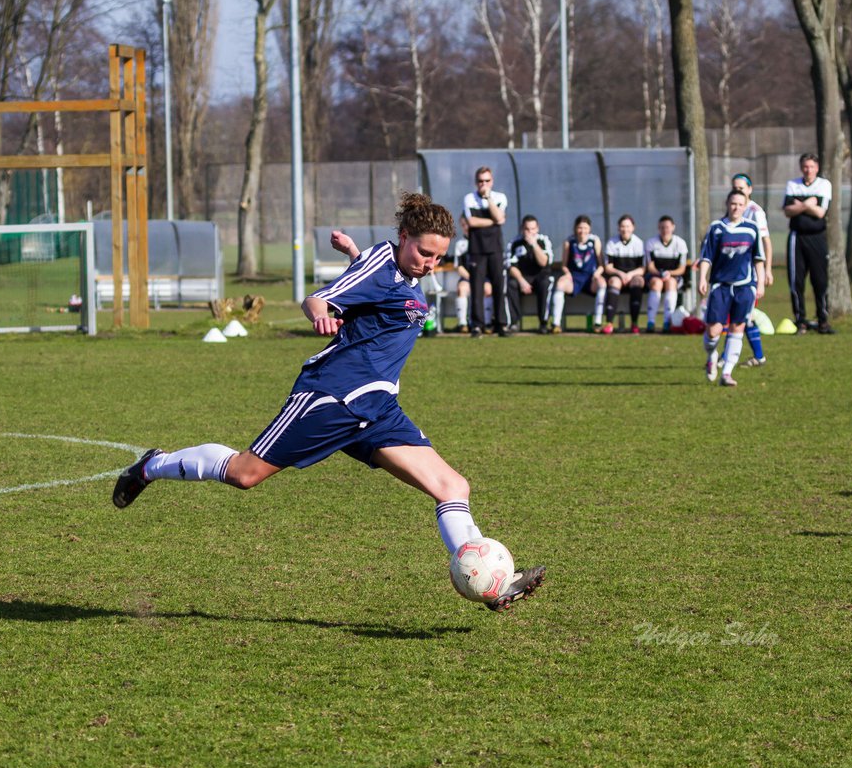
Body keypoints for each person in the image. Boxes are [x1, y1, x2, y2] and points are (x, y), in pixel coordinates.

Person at [112, 193, 545, 612]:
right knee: (245, 475)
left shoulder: (402, 273)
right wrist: (320, 311)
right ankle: (153, 465)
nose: (430, 263)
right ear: (405, 236)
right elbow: (320, 296)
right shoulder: (383, 260)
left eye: (438, 257)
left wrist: (356, 256)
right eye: (424, 252)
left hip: (377, 410)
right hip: (330, 398)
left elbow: (375, 285)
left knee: (453, 487)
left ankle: (497, 584)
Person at [698, 190, 766, 387]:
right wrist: (703, 277)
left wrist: (760, 283)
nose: (736, 207)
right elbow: (706, 256)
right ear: (727, 204)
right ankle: (712, 356)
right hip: (720, 285)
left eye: (740, 204)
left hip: (745, 286)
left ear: (745, 207)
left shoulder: (752, 229)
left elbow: (758, 259)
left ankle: (726, 373)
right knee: (713, 332)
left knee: (738, 327)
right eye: (733, 204)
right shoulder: (717, 228)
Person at [783, 152, 835, 335]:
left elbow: (821, 213)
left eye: (812, 167)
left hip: (817, 237)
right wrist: (809, 204)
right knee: (796, 281)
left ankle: (823, 320)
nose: (808, 170)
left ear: (817, 168)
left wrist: (800, 205)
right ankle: (800, 321)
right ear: (801, 168)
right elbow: (788, 211)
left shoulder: (824, 185)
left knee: (820, 281)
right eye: (805, 166)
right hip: (797, 237)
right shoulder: (792, 184)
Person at [462, 167, 510, 337]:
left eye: (487, 181)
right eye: (481, 181)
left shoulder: (499, 197)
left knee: (499, 286)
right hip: (477, 249)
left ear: (492, 181)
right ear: (476, 182)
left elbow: (499, 217)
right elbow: (472, 222)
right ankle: (477, 325)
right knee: (477, 288)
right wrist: (494, 221)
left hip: (495, 248)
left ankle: (501, 324)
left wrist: (488, 198)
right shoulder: (469, 198)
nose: (484, 184)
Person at [732, 173, 774, 364]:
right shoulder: (734, 211)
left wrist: (768, 270)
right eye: (735, 188)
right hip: (736, 272)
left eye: (741, 188)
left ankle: (752, 356)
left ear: (749, 189)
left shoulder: (755, 212)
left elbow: (766, 242)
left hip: (751, 273)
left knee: (743, 315)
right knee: (738, 315)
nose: (738, 191)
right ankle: (756, 356)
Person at [548, 215, 603, 334]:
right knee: (560, 284)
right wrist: (567, 274)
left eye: (585, 228)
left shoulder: (595, 241)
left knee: (602, 284)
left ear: (589, 229)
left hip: (590, 278)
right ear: (575, 228)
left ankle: (598, 323)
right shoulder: (569, 242)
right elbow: (564, 265)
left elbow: (601, 264)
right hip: (575, 278)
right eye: (579, 228)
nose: (582, 231)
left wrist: (598, 273)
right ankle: (556, 324)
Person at [505, 215, 554, 334]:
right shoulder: (514, 243)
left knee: (545, 283)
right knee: (511, 284)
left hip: (540, 276)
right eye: (527, 229)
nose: (530, 232)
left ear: (537, 229)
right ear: (522, 229)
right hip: (522, 277)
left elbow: (544, 262)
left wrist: (534, 245)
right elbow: (511, 267)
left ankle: (543, 323)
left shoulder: (543, 241)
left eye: (533, 229)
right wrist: (522, 281)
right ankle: (514, 323)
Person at [643, 215, 689, 333]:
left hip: (673, 276)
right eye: (662, 227)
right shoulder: (651, 243)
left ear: (673, 227)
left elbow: (682, 269)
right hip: (656, 275)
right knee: (656, 283)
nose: (665, 230)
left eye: (667, 227)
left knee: (671, 283)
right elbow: (650, 266)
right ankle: (651, 321)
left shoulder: (680, 243)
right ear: (659, 228)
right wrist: (660, 273)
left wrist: (670, 273)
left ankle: (667, 321)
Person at [600, 215, 646, 334]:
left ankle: (634, 323)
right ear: (618, 228)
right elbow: (608, 268)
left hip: (633, 275)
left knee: (638, 281)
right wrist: (620, 274)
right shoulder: (612, 242)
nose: (625, 229)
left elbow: (642, 268)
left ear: (633, 228)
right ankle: (609, 323)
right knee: (614, 282)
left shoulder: (638, 243)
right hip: (618, 275)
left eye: (627, 226)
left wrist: (630, 274)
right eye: (622, 226)